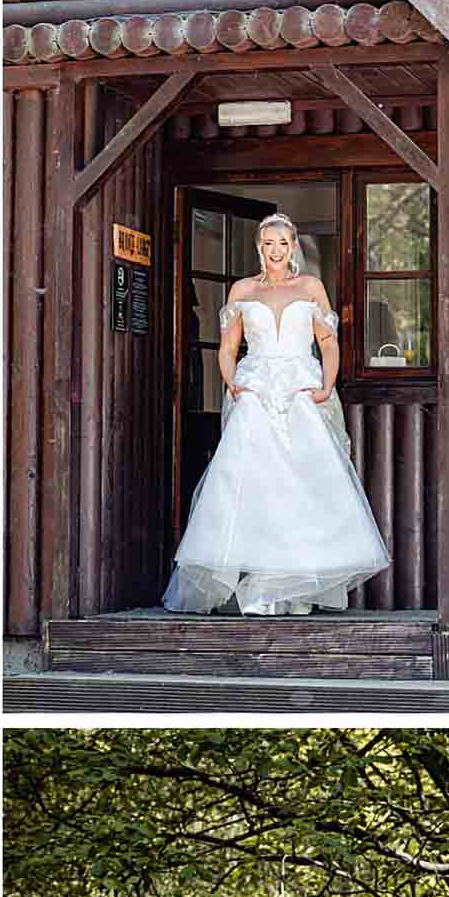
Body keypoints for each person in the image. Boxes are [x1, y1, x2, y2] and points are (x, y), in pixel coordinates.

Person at [163, 213, 388, 617]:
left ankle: (296, 584)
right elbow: (228, 349)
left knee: (304, 482)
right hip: (257, 388)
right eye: (268, 243)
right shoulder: (243, 290)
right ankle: (258, 576)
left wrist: (325, 386)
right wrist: (234, 384)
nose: (275, 250)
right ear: (259, 246)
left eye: (283, 243)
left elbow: (329, 343)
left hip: (300, 386)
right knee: (251, 483)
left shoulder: (310, 287)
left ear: (294, 245)